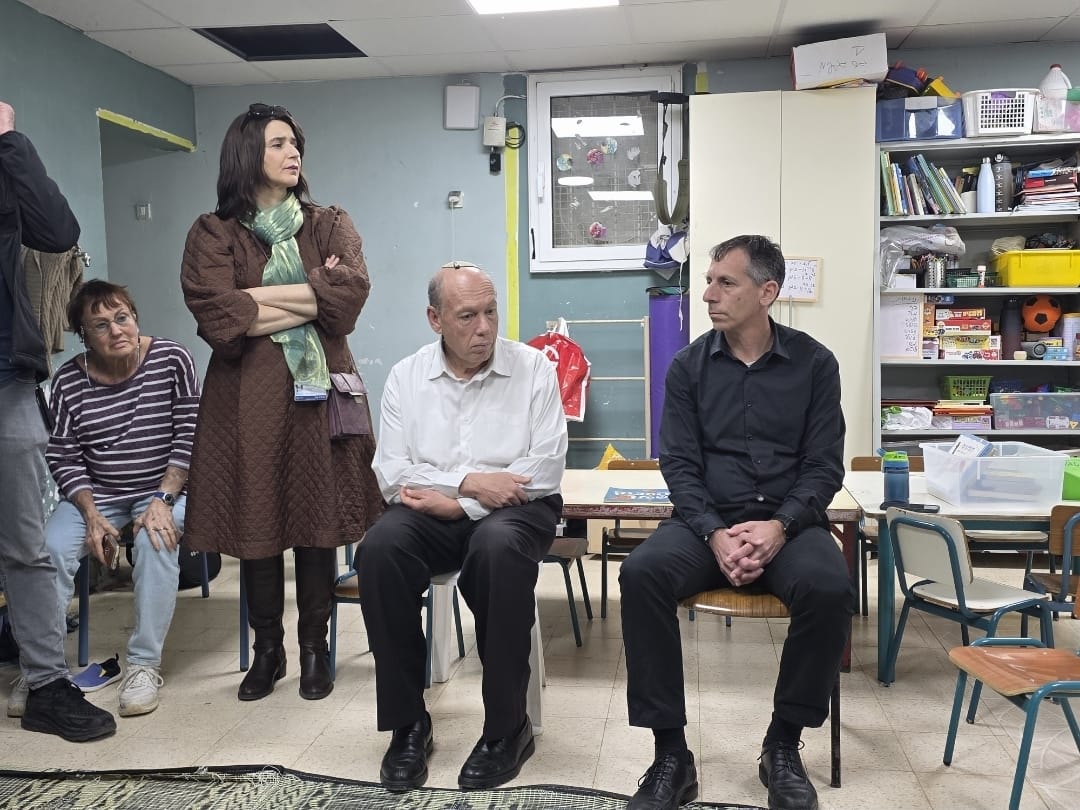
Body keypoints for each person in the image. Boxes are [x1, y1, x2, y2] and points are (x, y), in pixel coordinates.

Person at [619, 235, 853, 810]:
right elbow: (678, 464)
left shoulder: (815, 364)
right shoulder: (688, 367)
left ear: (767, 292)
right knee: (641, 573)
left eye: (726, 282)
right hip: (707, 525)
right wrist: (714, 532)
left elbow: (824, 466)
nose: (708, 295)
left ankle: (783, 745)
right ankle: (671, 755)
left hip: (789, 526)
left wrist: (780, 526)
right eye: (709, 281)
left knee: (830, 586)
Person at [180, 103, 383, 703]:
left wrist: (257, 300)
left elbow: (344, 303)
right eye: (277, 144)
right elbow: (220, 316)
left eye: (295, 143)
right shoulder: (213, 232)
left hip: (318, 398)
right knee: (258, 523)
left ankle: (315, 648)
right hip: (245, 403)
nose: (293, 153)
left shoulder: (329, 224)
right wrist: (309, 294)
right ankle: (268, 651)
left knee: (318, 525)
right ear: (247, 154)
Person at [357, 262, 567, 792]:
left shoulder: (534, 369)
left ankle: (507, 728)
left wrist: (464, 506)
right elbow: (393, 473)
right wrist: (469, 485)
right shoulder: (407, 377)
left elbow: (544, 469)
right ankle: (408, 723)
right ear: (435, 319)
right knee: (380, 549)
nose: (484, 328)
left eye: (491, 312)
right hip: (434, 509)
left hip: (519, 511)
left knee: (497, 548)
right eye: (468, 316)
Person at [0, 100, 116, 741]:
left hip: (8, 384)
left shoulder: (5, 165)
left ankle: (46, 686)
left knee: (27, 548)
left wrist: (10, 143)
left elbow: (57, 230)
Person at [32, 280, 199, 719]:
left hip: (164, 488)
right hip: (97, 494)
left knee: (155, 540)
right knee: (48, 551)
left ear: (135, 317)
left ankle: (143, 666)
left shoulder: (172, 359)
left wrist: (162, 499)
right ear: (84, 337)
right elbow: (63, 454)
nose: (116, 330)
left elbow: (189, 436)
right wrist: (90, 514)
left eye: (121, 318)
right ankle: (42, 673)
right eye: (100, 325)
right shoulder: (69, 380)